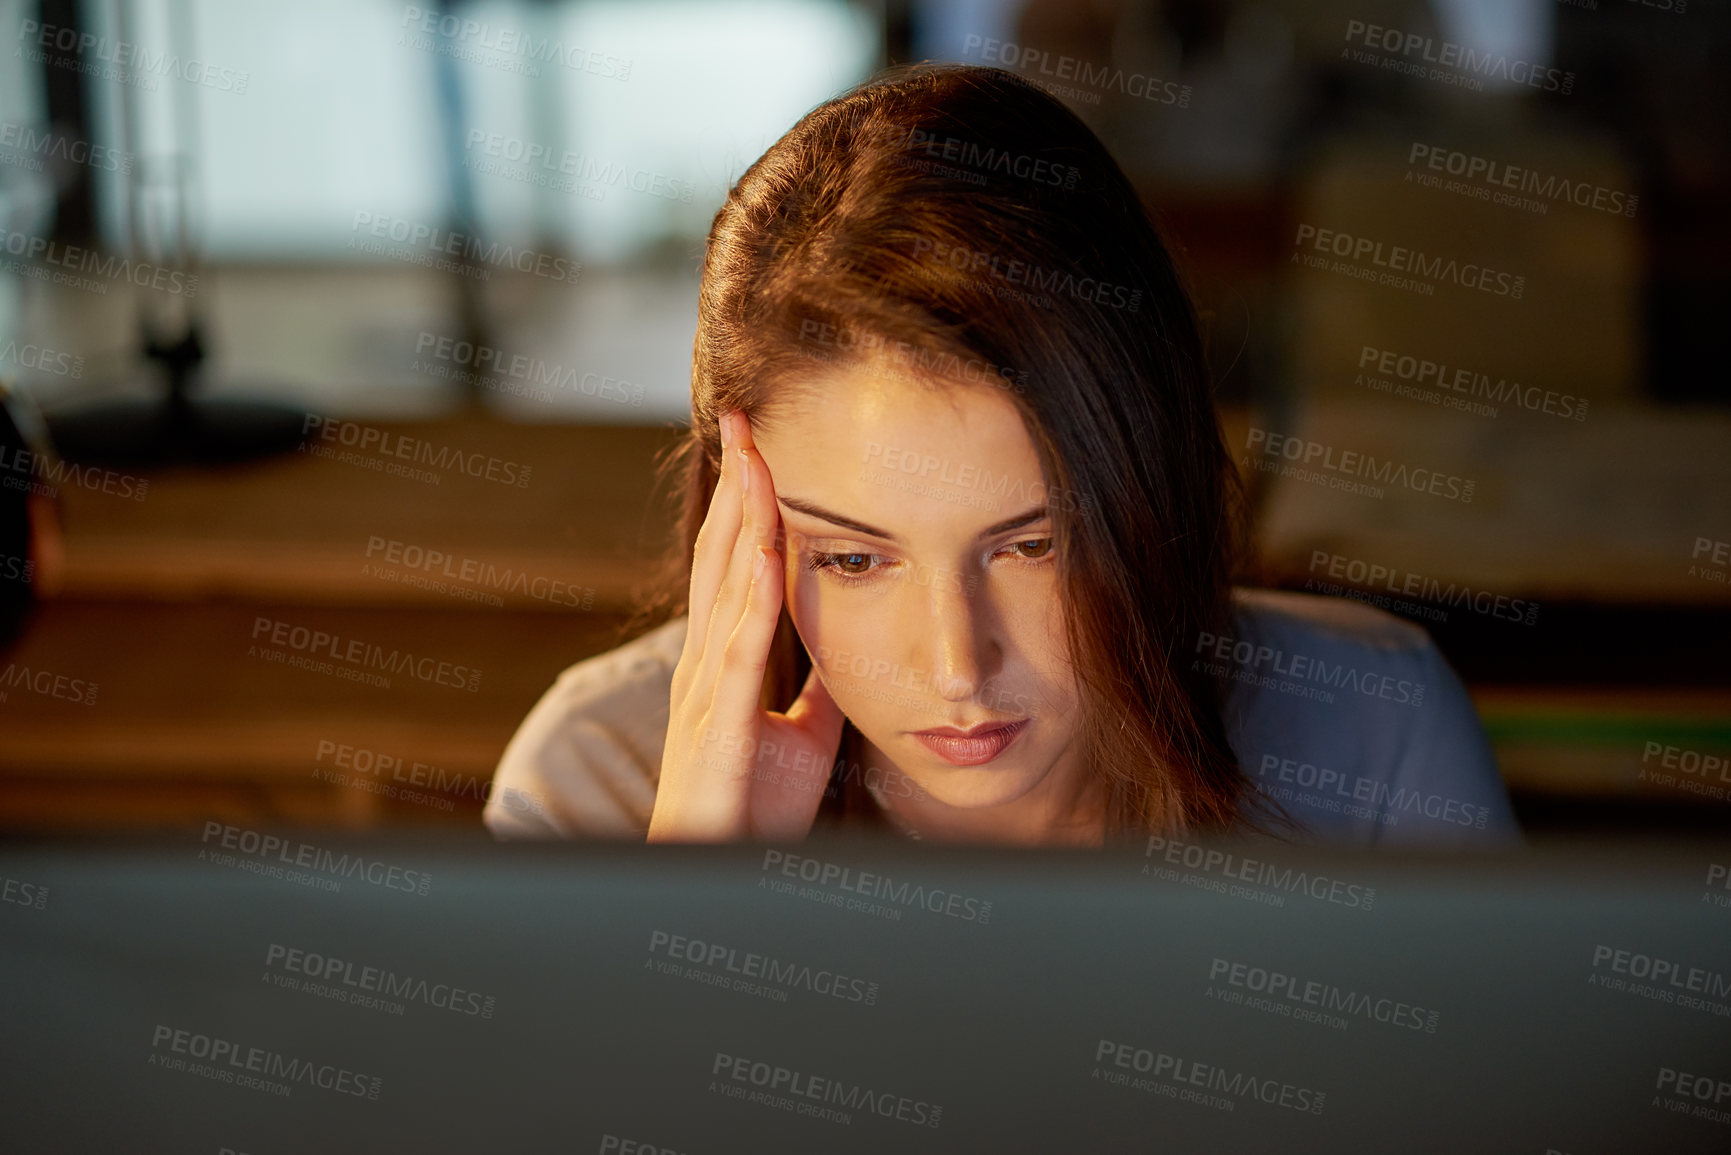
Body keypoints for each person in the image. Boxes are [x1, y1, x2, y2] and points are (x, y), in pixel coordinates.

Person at [484, 62, 1519, 850]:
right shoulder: (595, 778)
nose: (954, 665)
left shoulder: (1375, 740)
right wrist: (698, 902)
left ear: (1148, 489)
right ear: (739, 532)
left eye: (1032, 546)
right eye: (851, 559)